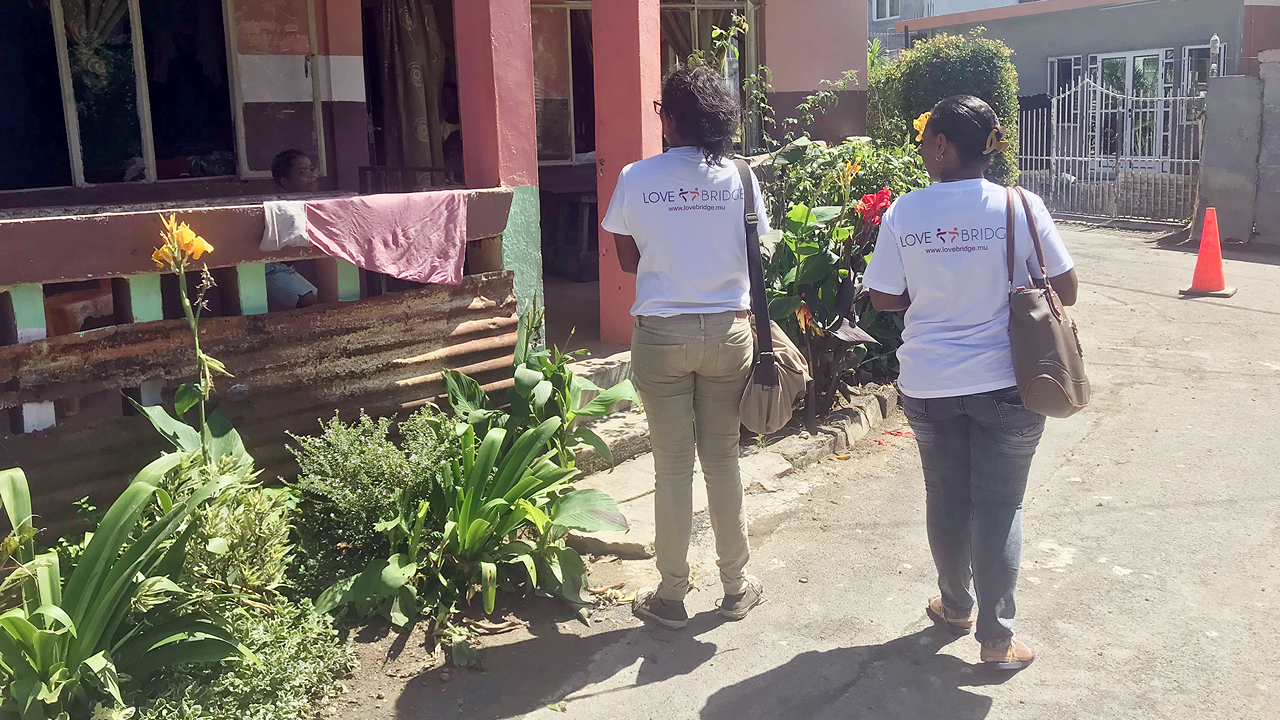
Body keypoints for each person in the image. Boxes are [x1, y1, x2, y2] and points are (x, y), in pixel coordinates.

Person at [863, 95, 1079, 670]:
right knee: (1001, 504)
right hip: (1009, 382)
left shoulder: (906, 212)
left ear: (941, 145)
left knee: (947, 496)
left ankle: (956, 606)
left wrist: (931, 290)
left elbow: (882, 295)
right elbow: (1068, 288)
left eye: (926, 140)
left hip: (929, 384)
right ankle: (997, 639)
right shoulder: (1020, 206)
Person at [602, 65, 769, 629]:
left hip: (661, 334)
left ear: (669, 118)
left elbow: (628, 261)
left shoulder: (635, 176)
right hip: (728, 334)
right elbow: (754, 252)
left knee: (672, 466)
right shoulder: (742, 178)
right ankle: (736, 586)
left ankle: (671, 595)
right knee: (722, 459)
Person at [266, 149, 320, 310]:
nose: (312, 176)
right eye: (303, 172)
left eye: (311, 169)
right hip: (268, 268)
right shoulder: (279, 207)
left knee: (320, 302)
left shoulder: (313, 203)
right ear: (285, 181)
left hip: (286, 268)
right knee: (309, 301)